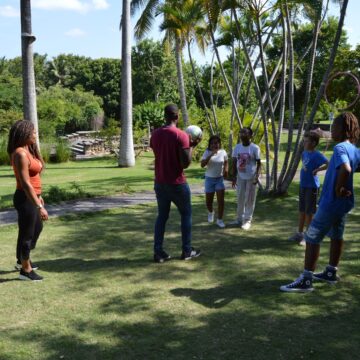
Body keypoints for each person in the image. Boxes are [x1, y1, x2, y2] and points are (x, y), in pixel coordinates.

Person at [280, 112, 360, 292]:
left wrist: (339, 188)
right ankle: (331, 272)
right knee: (337, 236)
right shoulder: (354, 149)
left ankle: (306, 280)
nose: (331, 129)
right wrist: (344, 187)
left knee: (312, 237)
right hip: (343, 205)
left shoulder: (340, 148)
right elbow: (354, 167)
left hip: (331, 203)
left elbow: (346, 169)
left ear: (343, 129)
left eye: (334, 126)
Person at [150, 104, 201, 263]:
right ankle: (187, 251)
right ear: (177, 117)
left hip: (160, 182)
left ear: (164, 116)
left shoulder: (155, 134)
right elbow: (185, 163)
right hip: (177, 183)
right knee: (186, 215)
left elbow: (160, 153)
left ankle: (158, 252)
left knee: (162, 217)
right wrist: (193, 146)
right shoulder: (181, 135)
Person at [7, 120, 48, 281]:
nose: (35, 135)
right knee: (28, 234)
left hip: (33, 197)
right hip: (25, 198)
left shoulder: (28, 150)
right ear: (24, 134)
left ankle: (22, 258)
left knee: (36, 228)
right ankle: (25, 270)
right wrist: (39, 206)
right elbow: (25, 183)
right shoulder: (20, 154)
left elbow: (34, 178)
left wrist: (39, 196)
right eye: (33, 132)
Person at [288, 131, 328, 245]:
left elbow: (328, 163)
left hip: (312, 187)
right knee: (302, 210)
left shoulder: (317, 154)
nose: (304, 143)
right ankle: (299, 233)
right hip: (303, 185)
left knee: (309, 212)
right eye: (304, 141)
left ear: (314, 143)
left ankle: (308, 236)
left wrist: (317, 170)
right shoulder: (304, 153)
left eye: (306, 141)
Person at [231, 127, 261, 230]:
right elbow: (234, 161)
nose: (242, 134)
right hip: (240, 176)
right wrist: (233, 177)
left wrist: (257, 176)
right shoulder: (237, 147)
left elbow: (259, 163)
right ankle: (239, 218)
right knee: (240, 197)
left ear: (250, 136)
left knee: (249, 199)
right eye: (241, 132)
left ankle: (247, 220)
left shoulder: (255, 148)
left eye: (245, 133)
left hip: (251, 176)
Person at [201, 135, 228, 228]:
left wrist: (226, 171)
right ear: (210, 144)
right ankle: (211, 212)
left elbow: (226, 162)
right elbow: (202, 165)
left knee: (221, 201)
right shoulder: (207, 152)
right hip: (209, 179)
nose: (215, 145)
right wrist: (211, 154)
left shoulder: (223, 152)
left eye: (216, 143)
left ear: (219, 143)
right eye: (212, 143)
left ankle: (220, 220)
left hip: (219, 179)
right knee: (209, 202)